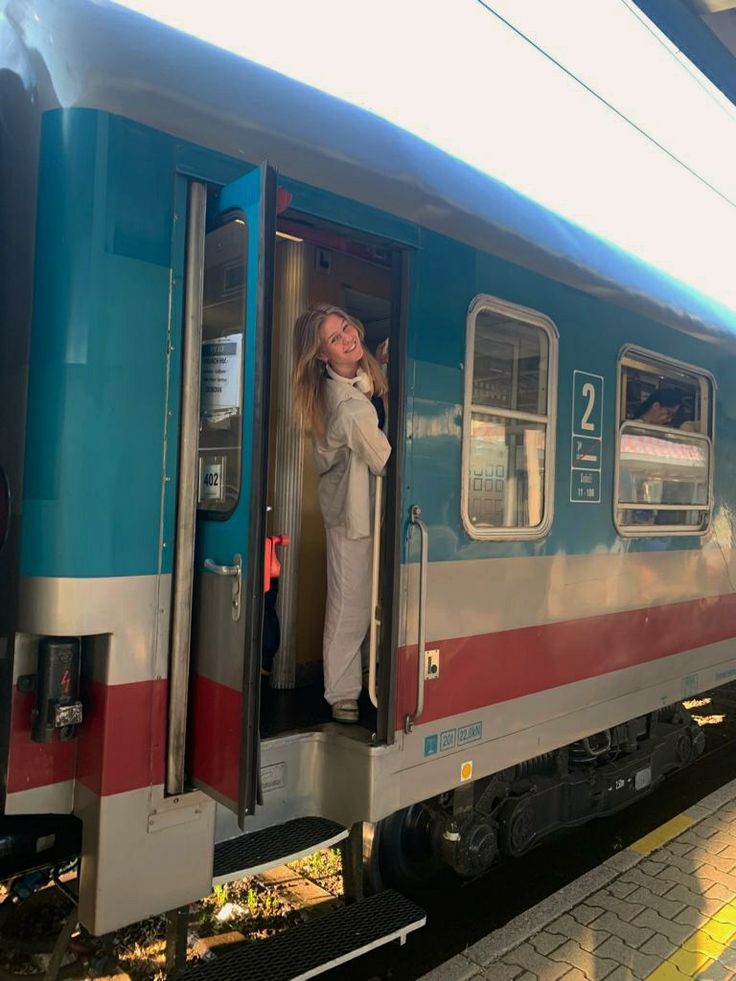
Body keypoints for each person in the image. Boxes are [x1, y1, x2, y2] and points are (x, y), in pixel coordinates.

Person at [292, 303, 390, 724]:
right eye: (335, 338)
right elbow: (384, 458)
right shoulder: (348, 407)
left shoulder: (360, 379)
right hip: (354, 513)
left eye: (345, 326)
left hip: (365, 508)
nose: (348, 337)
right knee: (350, 603)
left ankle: (361, 676)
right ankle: (342, 693)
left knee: (365, 598)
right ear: (321, 355)